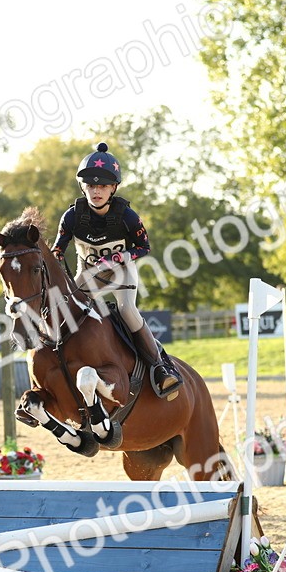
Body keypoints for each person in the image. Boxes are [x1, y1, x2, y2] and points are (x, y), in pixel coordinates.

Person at [51, 142, 182, 399]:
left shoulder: (128, 216)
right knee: (66, 311)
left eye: (102, 186)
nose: (96, 191)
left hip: (121, 271)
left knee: (127, 311)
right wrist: (55, 259)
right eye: (91, 186)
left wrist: (125, 255)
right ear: (83, 188)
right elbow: (57, 248)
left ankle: (160, 368)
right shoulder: (71, 217)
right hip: (89, 272)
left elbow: (145, 247)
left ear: (113, 188)